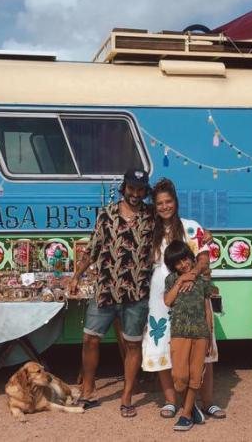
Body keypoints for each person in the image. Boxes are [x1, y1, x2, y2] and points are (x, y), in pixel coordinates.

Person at [69, 168, 154, 418]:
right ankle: (89, 389)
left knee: (132, 345)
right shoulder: (107, 214)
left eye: (140, 190)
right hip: (105, 289)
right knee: (89, 339)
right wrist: (76, 275)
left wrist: (202, 237)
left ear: (145, 190)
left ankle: (127, 397)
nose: (135, 194)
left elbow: (173, 234)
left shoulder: (151, 217)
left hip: (137, 292)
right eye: (131, 189)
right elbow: (92, 249)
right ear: (124, 188)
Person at [142, 178, 226, 420]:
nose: (165, 206)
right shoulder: (150, 231)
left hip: (192, 295)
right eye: (159, 203)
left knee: (202, 348)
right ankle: (171, 401)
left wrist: (191, 276)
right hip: (160, 298)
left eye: (168, 201)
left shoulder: (191, 227)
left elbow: (203, 258)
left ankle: (207, 401)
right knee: (163, 345)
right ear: (155, 206)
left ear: (176, 202)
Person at [162, 240, 214, 431]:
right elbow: (167, 301)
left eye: (185, 260)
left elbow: (207, 308)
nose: (183, 265)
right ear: (173, 266)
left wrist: (209, 334)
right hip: (179, 333)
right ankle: (192, 409)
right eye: (178, 263)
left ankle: (185, 414)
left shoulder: (203, 281)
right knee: (179, 375)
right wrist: (180, 281)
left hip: (200, 333)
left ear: (191, 258)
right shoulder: (171, 279)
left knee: (195, 375)